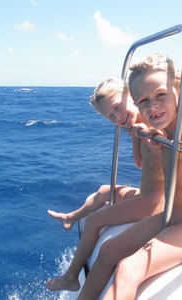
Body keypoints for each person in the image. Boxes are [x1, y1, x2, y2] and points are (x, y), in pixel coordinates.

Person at [74, 53, 182, 300]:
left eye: (161, 95)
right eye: (143, 100)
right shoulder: (159, 133)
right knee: (108, 250)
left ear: (180, 90)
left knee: (129, 268)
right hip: (171, 215)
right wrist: (151, 145)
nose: (152, 106)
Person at [46, 78, 165, 292]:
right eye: (111, 116)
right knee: (104, 191)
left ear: (131, 96)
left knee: (94, 220)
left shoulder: (153, 125)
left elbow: (166, 159)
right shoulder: (137, 125)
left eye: (118, 108)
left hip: (154, 203)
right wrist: (135, 138)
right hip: (147, 194)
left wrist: (146, 138)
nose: (118, 117)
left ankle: (71, 277)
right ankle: (71, 218)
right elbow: (140, 163)